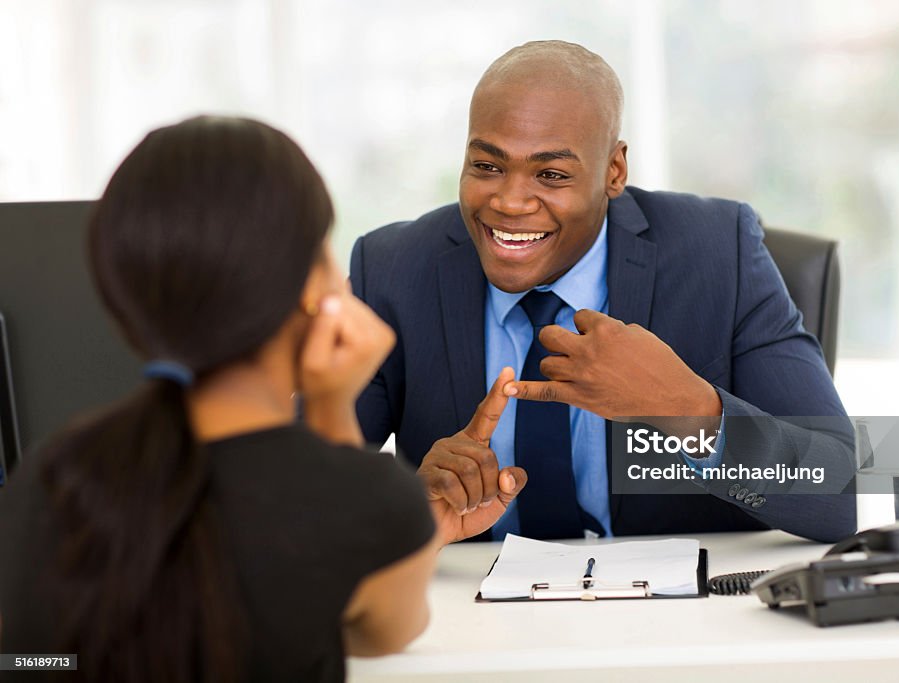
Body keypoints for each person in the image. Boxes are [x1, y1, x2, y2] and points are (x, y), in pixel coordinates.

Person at [0, 116, 506, 682]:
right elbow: (386, 629)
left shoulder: (48, 479)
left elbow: (28, 663)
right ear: (313, 288)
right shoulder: (362, 500)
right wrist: (333, 407)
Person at [351, 40, 856, 544]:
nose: (509, 202)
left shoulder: (721, 253)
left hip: (684, 614)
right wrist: (404, 515)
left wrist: (683, 408)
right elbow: (292, 504)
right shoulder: (392, 270)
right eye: (487, 166)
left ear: (614, 171)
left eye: (550, 174)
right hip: (468, 611)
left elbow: (840, 490)